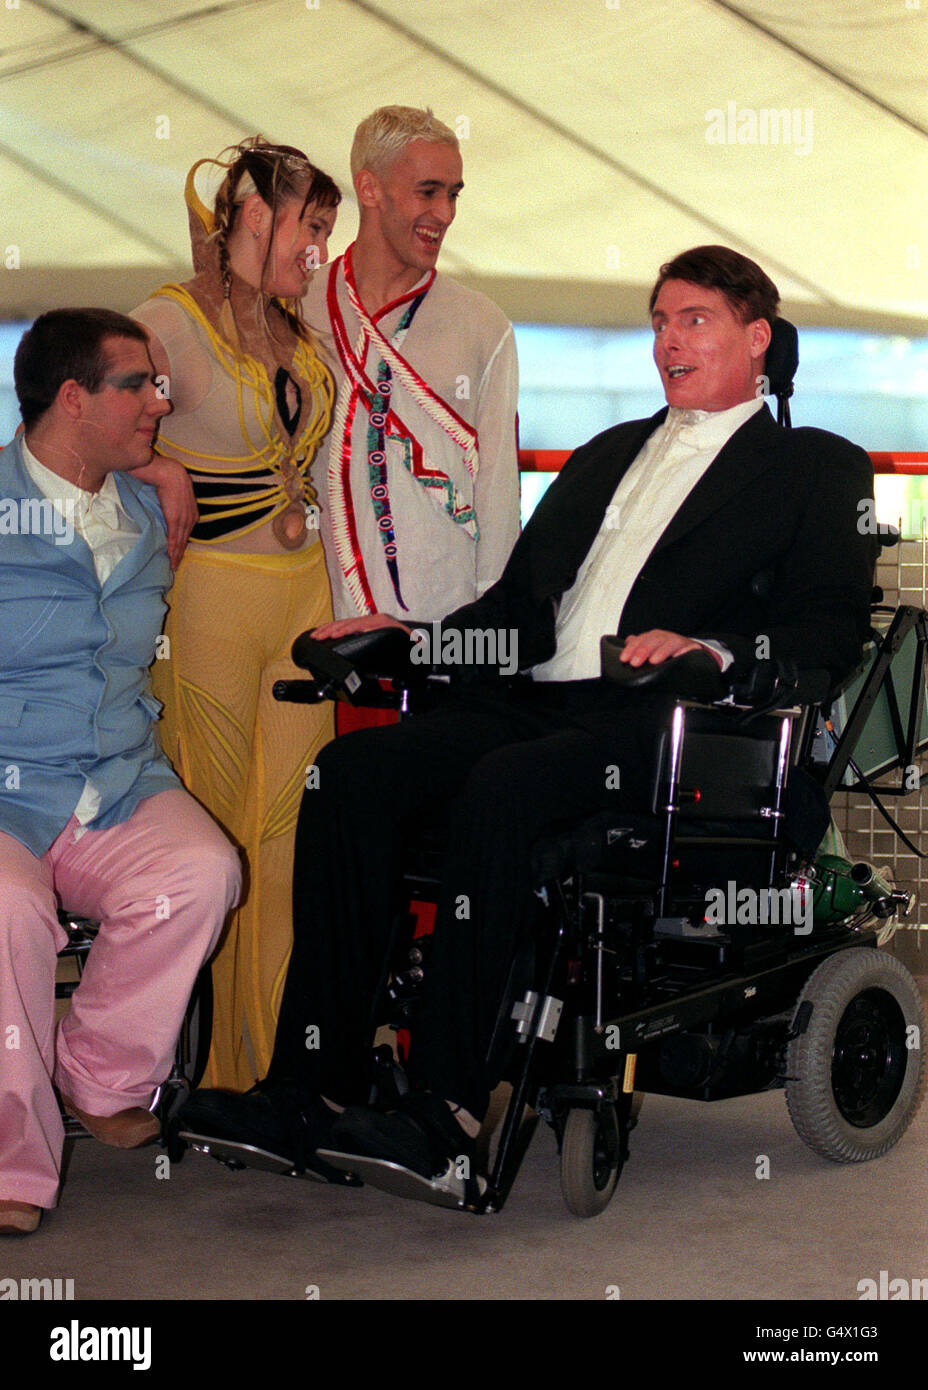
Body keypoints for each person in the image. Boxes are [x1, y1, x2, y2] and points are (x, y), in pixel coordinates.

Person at [180, 246, 877, 1198]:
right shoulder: (604, 455)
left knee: (506, 789)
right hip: (531, 702)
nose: (670, 340)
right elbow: (514, 614)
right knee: (351, 776)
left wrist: (711, 651)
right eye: (661, 321)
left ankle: (448, 1111)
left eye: (696, 320)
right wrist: (413, 639)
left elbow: (825, 630)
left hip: (667, 727)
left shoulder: (816, 468)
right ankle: (312, 1084)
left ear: (758, 339)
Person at [0, 309, 242, 1236]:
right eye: (138, 385)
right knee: (12, 912)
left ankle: (98, 1075)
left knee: (203, 874)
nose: (159, 402)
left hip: (117, 777)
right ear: (73, 397)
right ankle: (15, 1158)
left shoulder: (146, 504)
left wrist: (161, 467)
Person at [132, 139, 342, 1091]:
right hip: (211, 598)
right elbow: (63, 426)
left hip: (306, 599)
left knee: (291, 831)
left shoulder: (294, 325)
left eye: (328, 232)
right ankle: (199, 1067)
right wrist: (158, 463)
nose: (320, 250)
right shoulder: (166, 325)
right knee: (211, 832)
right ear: (255, 213)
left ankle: (272, 1058)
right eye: (311, 226)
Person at [303, 105, 521, 622]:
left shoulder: (482, 324)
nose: (445, 213)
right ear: (370, 188)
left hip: (441, 621)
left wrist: (489, 624)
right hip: (313, 613)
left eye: (453, 194)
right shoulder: (296, 303)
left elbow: (497, 493)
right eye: (428, 191)